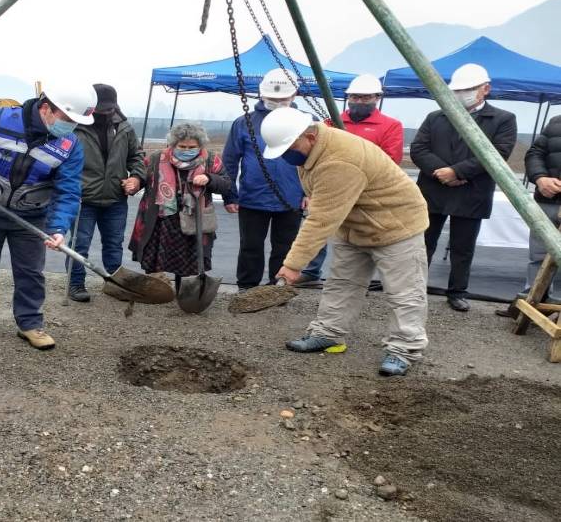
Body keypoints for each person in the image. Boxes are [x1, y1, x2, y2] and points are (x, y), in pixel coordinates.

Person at [263, 108, 430, 377]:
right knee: (342, 283)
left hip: (395, 225)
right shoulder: (310, 150)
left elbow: (320, 219)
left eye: (290, 147)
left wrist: (293, 265)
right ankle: (328, 333)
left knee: (404, 292)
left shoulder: (339, 160)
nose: (287, 155)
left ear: (310, 136)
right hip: (354, 224)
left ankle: (404, 348)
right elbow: (322, 201)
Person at [0, 86, 95, 350]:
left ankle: (30, 323)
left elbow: (68, 190)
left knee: (31, 272)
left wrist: (59, 227)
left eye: (76, 122)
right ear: (46, 107)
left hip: (33, 216)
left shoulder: (69, 146)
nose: (70, 126)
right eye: (68, 119)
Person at [411, 63, 517, 312]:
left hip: (472, 191)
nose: (461, 94)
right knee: (423, 242)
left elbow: (497, 154)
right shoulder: (436, 116)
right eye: (457, 90)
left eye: (469, 89)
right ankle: (414, 288)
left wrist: (457, 172)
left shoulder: (502, 119)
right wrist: (441, 172)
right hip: (434, 189)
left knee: (463, 247)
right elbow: (419, 149)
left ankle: (457, 291)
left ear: (485, 89)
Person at [223, 69, 307, 290]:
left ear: (294, 95)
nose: (277, 102)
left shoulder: (306, 123)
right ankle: (247, 287)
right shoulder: (244, 123)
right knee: (250, 245)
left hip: (292, 197)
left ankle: (278, 286)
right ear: (261, 95)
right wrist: (230, 194)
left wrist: (310, 193)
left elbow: (317, 162)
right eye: (272, 99)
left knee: (286, 247)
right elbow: (230, 160)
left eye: (282, 99)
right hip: (253, 196)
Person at [128, 123, 231, 293]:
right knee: (155, 259)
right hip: (161, 220)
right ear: (173, 144)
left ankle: (185, 292)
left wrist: (209, 178)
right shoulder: (156, 158)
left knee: (188, 263)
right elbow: (140, 176)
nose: (186, 150)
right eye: (182, 146)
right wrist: (134, 182)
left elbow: (227, 184)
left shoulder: (211, 160)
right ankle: (155, 289)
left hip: (193, 220)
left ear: (200, 146)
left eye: (192, 147)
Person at [66, 84, 144, 302]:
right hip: (83, 198)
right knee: (79, 245)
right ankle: (75, 284)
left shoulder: (125, 127)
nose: (105, 113)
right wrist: (69, 187)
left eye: (109, 109)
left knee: (114, 243)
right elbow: (60, 159)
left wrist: (136, 178)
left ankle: (114, 283)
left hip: (115, 198)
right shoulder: (73, 127)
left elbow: (137, 156)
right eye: (100, 109)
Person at [496, 114, 561, 317]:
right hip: (547, 201)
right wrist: (540, 178)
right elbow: (535, 153)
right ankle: (530, 303)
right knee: (538, 256)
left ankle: (556, 306)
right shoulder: (556, 122)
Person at [336, 74, 403, 164]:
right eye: (354, 97)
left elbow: (391, 161)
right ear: (348, 97)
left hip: (370, 177)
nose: (359, 101)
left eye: (366, 97)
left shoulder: (391, 126)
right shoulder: (333, 122)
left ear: (377, 98)